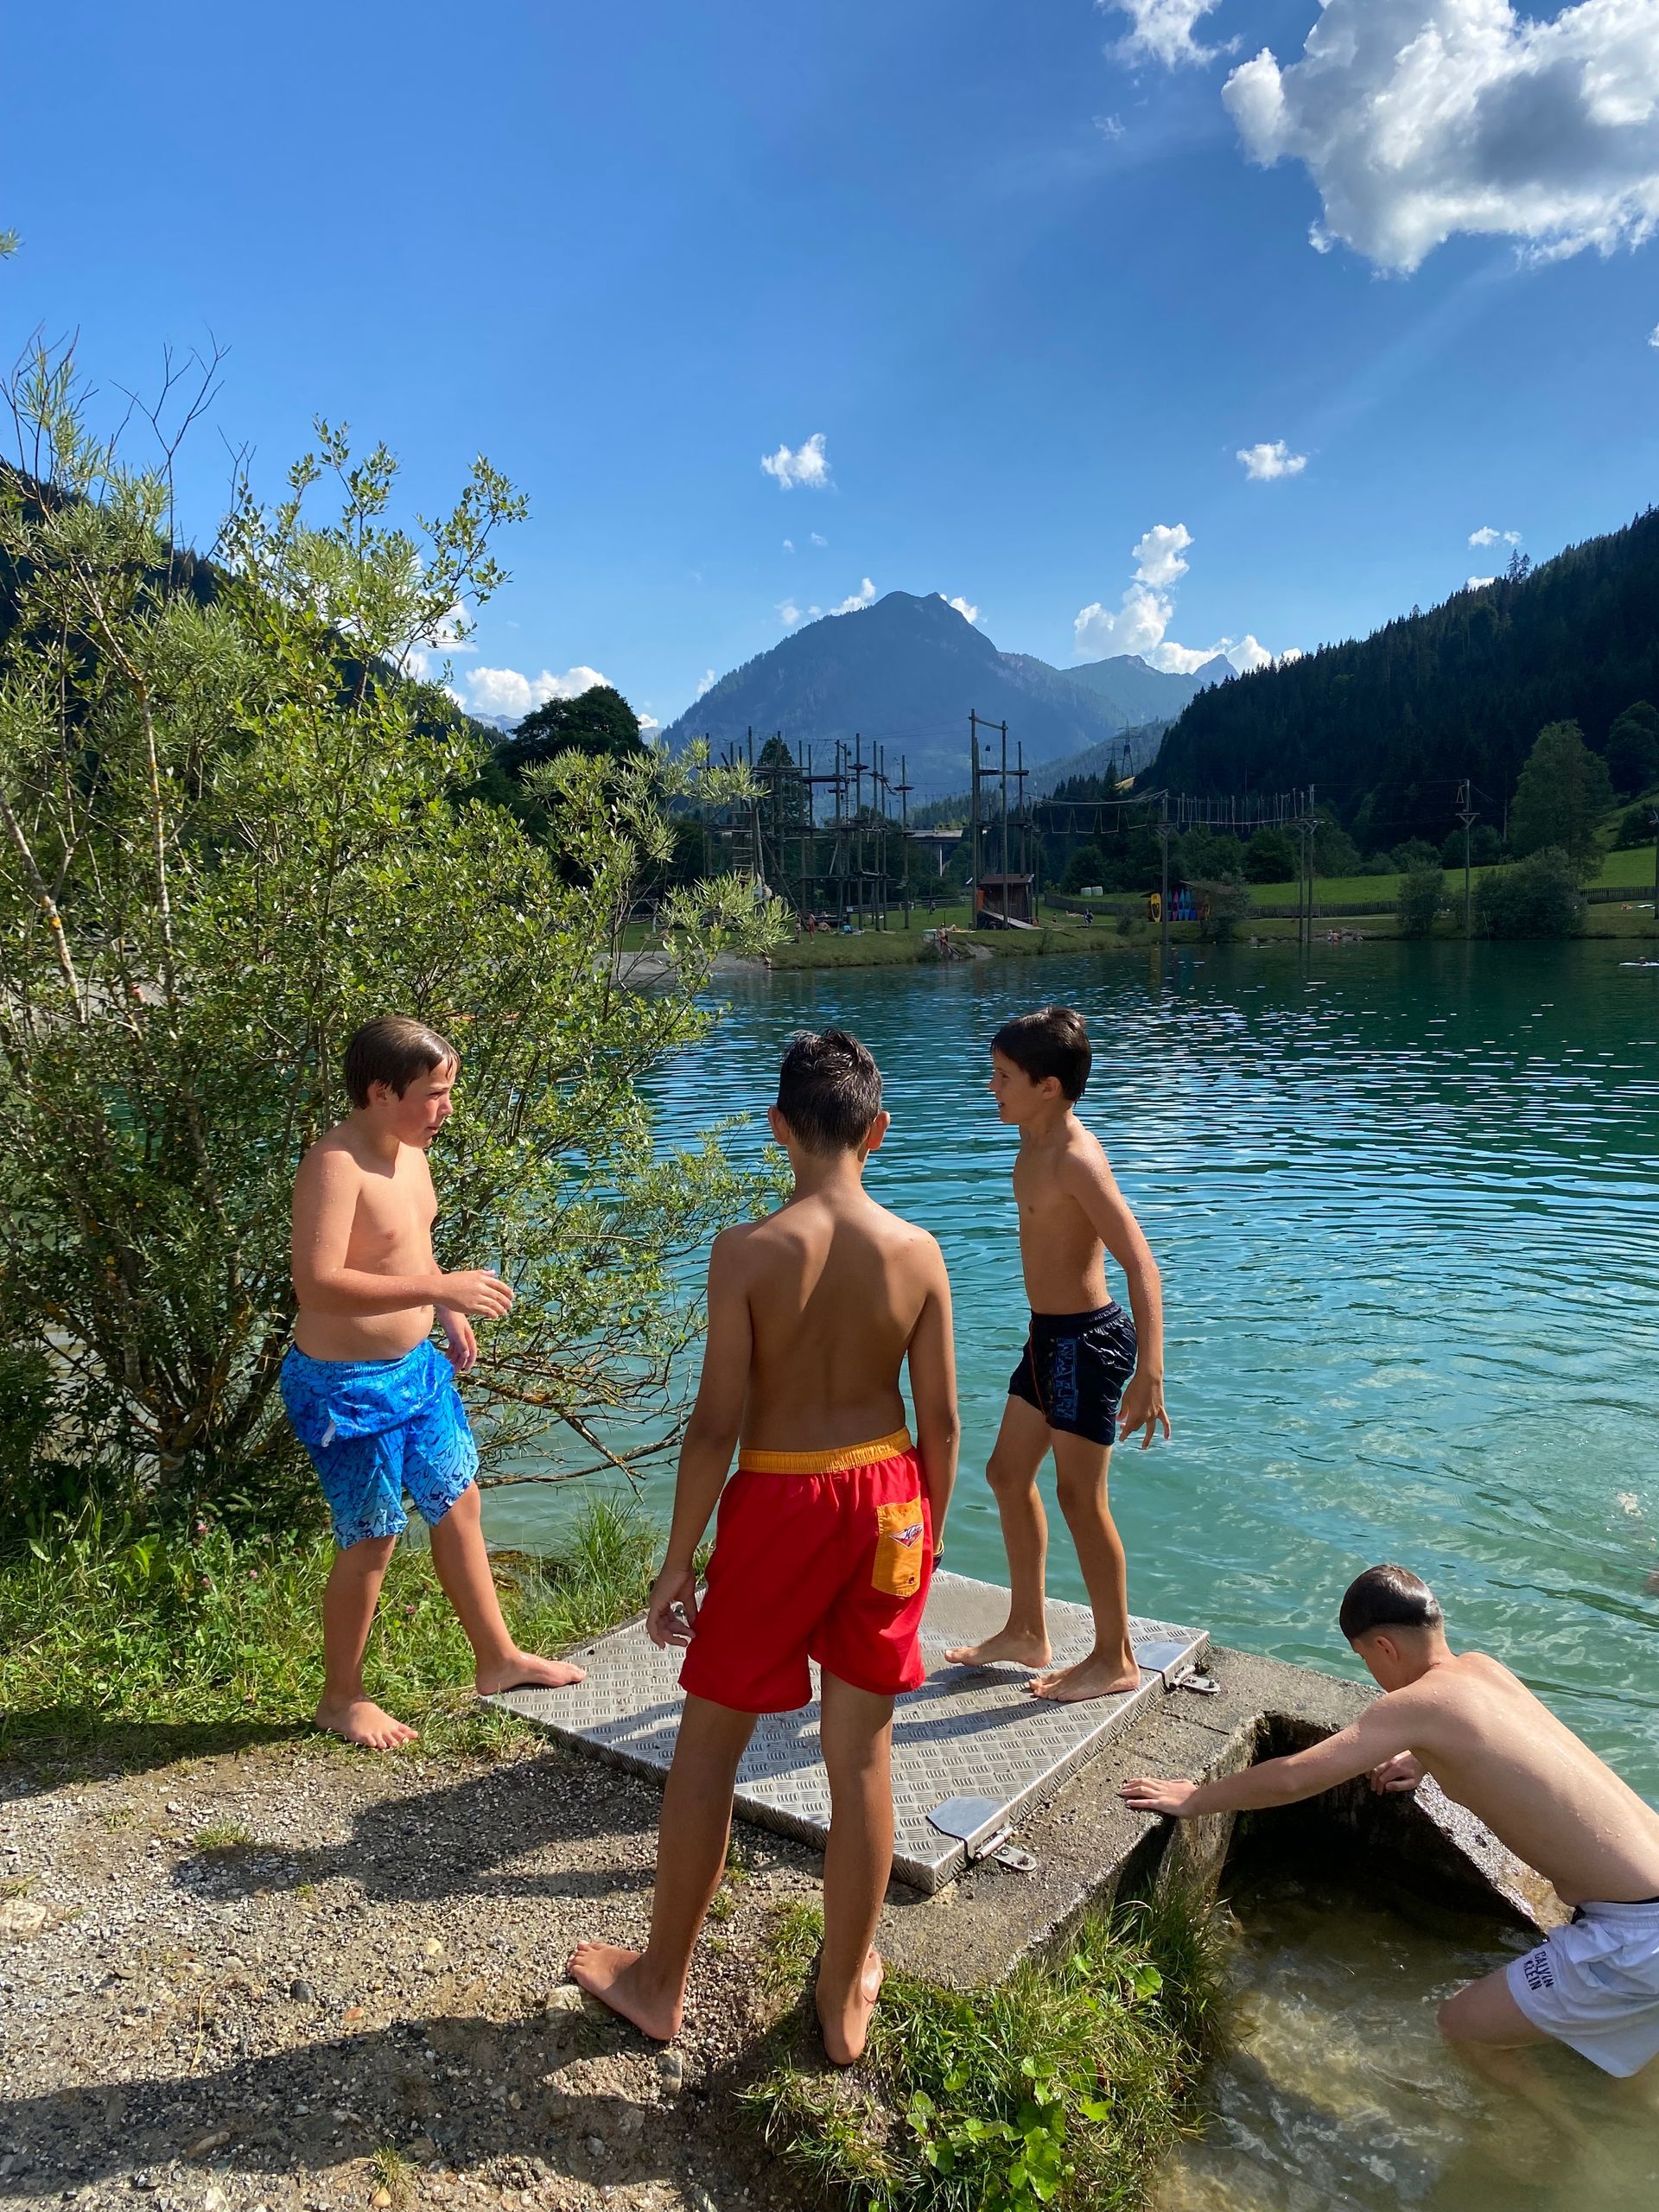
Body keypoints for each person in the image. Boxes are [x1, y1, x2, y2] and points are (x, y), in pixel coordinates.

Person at [569, 1028, 959, 2062]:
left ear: (779, 1129)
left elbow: (713, 1425)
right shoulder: (919, 1251)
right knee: (861, 1755)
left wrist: (675, 1559)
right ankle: (843, 1990)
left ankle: (659, 1983)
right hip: (889, 1500)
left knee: (706, 1753)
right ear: (879, 1131)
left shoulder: (745, 1252)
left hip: (780, 1499)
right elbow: (944, 1424)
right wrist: (930, 1542)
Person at [1122, 1566, 1659, 2082]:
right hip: (1644, 1896)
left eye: (1365, 1659)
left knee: (1464, 2028)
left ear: (1384, 1647)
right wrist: (1425, 1755)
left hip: (1635, 1932)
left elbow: (1292, 1779)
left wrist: (1197, 1797)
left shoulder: (1416, 1706)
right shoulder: (1483, 1668)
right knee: (1634, 2082)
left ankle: (1568, 2143)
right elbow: (1513, 1742)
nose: (1372, 1675)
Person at [283, 1016, 583, 1749]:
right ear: (382, 1091)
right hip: (346, 1389)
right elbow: (318, 1284)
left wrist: (444, 1307)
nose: (446, 1108)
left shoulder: (412, 1150)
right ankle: (341, 1698)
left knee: (460, 1502)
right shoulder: (335, 1166)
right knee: (374, 1538)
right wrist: (439, 1285)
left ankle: (498, 1658)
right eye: (434, 1093)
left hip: (418, 1371)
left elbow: (407, 1246)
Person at [944, 1005, 1168, 1701]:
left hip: (1088, 1341)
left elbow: (1141, 1265)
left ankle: (1115, 1657)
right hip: (1047, 1337)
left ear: (1047, 1086)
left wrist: (1151, 1370)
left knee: (1079, 1496)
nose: (992, 1087)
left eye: (1004, 1076)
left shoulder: (1075, 1158)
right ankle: (1027, 1630)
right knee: (1008, 1475)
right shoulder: (1031, 1140)